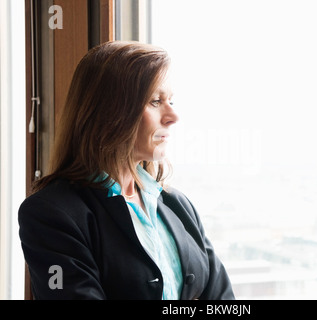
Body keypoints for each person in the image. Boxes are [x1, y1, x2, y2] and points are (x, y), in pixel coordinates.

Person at [18, 41, 235, 300]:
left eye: (172, 101)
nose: (173, 116)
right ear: (111, 111)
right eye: (156, 101)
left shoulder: (178, 205)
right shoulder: (51, 214)